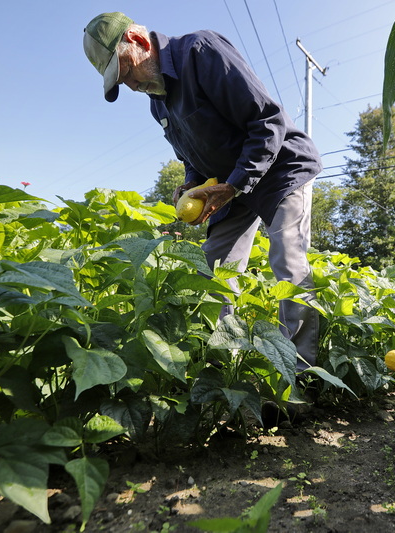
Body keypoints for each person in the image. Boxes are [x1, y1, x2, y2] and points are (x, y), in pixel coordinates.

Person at [83, 12, 322, 393]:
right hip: (229, 184)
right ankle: (218, 377)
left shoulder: (201, 51)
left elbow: (268, 123)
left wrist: (235, 184)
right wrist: (191, 184)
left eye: (125, 70)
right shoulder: (158, 102)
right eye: (120, 80)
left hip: (278, 167)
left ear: (140, 42)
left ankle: (298, 383)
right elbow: (191, 156)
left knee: (288, 266)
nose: (129, 85)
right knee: (213, 271)